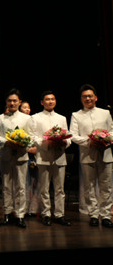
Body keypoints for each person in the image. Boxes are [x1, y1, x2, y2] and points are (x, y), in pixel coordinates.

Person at [70, 84, 113, 227]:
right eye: (84, 97)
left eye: (90, 96)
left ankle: (105, 215)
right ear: (81, 99)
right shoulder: (76, 115)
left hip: (105, 154)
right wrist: (90, 142)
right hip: (87, 155)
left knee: (106, 186)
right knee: (89, 186)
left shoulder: (105, 113)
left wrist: (105, 140)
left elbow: (112, 131)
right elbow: (73, 135)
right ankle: (93, 214)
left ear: (96, 97)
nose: (88, 98)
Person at [30, 91, 72, 226]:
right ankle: (46, 214)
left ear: (55, 101)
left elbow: (68, 137)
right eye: (47, 99)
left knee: (60, 188)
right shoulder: (35, 117)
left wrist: (63, 143)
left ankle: (60, 214)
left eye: (52, 99)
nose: (50, 101)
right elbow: (33, 136)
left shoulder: (62, 118)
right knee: (44, 188)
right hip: (43, 156)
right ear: (42, 102)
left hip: (59, 156)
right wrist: (47, 143)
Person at [0, 88, 34, 228]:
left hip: (21, 155)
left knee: (21, 186)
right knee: (6, 185)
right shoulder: (0, 118)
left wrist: (23, 143)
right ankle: (7, 213)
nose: (12, 103)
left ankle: (20, 214)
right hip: (6, 155)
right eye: (9, 101)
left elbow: (32, 136)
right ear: (6, 102)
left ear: (20, 102)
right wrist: (7, 143)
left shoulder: (27, 118)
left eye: (14, 101)